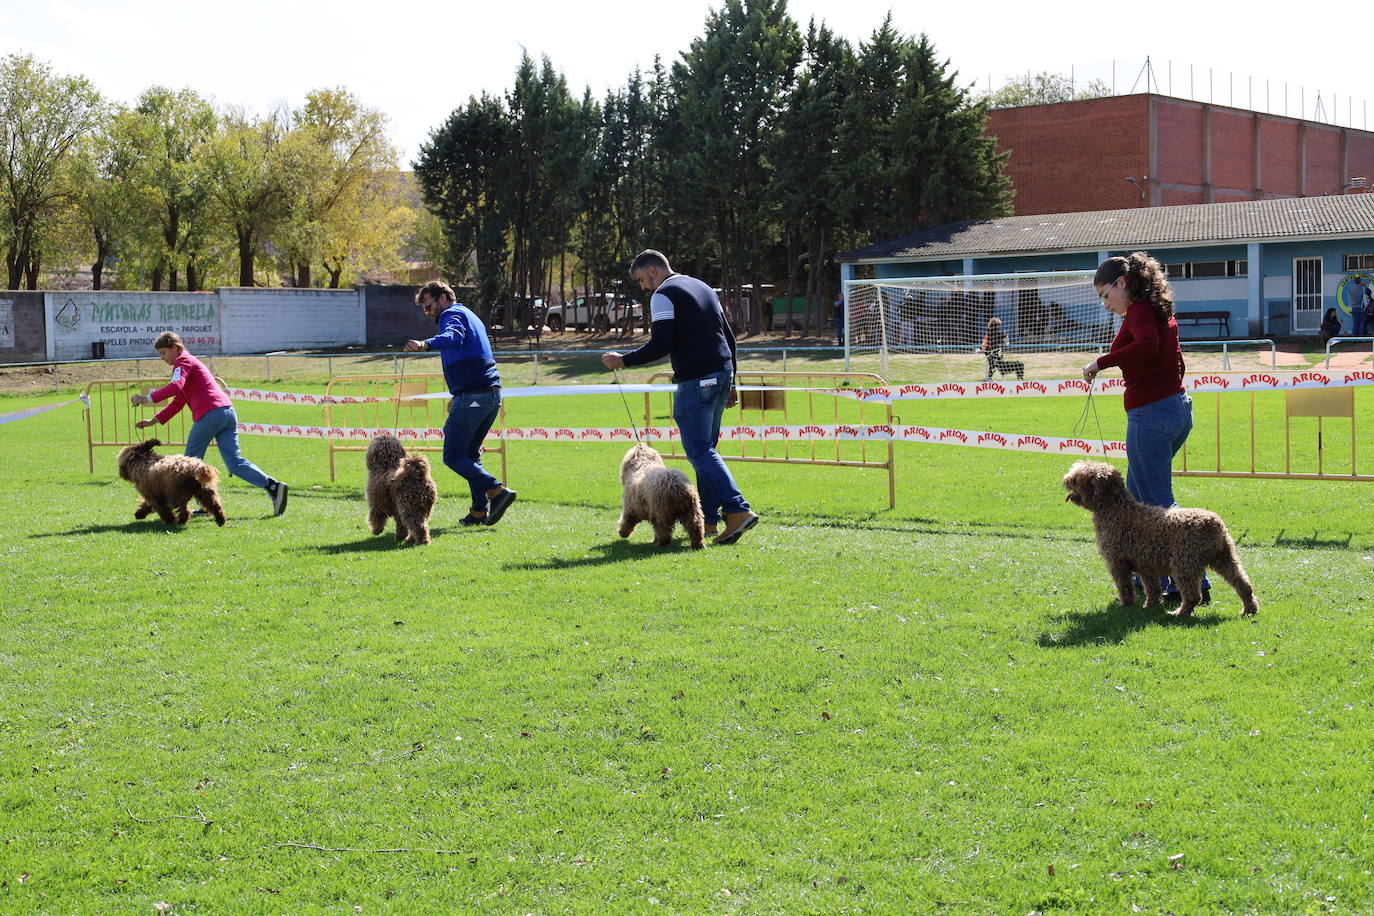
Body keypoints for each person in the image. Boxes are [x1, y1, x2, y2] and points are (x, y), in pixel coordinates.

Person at [602, 249, 758, 545]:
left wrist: (624, 360)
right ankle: (709, 520)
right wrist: (732, 380)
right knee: (706, 452)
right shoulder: (703, 287)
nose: (645, 288)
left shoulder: (663, 294)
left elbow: (661, 343)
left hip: (696, 381)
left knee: (699, 451)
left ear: (652, 271)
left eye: (642, 280)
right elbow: (729, 337)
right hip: (722, 374)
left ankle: (737, 510)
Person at [1082, 252, 1207, 601]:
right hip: (1177, 409)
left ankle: (1192, 583)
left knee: (1158, 503)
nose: (1105, 304)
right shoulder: (1156, 309)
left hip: (1151, 415)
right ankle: (1146, 576)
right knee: (1133, 500)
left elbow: (1147, 346)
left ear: (1122, 284)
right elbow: (1172, 357)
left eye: (1105, 295)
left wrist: (1101, 362)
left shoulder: (1138, 311)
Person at [131, 331, 289, 517]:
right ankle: (273, 486)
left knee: (186, 465)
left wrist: (145, 398)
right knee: (235, 463)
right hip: (227, 413)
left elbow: (175, 387)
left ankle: (182, 506)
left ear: (175, 348)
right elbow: (178, 402)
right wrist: (154, 420)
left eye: (163, 353)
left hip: (209, 415)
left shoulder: (183, 362)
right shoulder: (189, 363)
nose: (162, 358)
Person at [404, 280, 517, 527]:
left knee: (453, 456)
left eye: (429, 306)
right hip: (489, 395)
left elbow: (453, 337)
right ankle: (479, 512)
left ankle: (496, 491)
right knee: (469, 455)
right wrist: (459, 396)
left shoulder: (452, 314)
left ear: (443, 298)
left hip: (474, 396)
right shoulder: (469, 314)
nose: (428, 313)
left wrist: (426, 344)